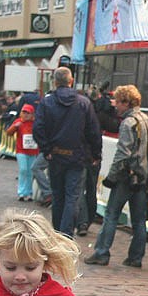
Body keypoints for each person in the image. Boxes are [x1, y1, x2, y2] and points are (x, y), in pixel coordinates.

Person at [85, 85, 148, 268]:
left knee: (111, 215)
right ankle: (136, 257)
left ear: (126, 102)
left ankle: (101, 252)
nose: (115, 105)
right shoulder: (147, 120)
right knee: (139, 220)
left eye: (118, 101)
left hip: (126, 177)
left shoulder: (129, 123)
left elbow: (122, 154)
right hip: (143, 177)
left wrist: (112, 176)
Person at [33, 67, 102, 237]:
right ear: (71, 81)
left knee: (58, 196)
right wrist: (95, 154)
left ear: (55, 82)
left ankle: (58, 232)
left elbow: (38, 128)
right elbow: (94, 131)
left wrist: (46, 149)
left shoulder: (47, 102)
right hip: (77, 156)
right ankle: (65, 233)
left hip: (56, 155)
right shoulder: (84, 102)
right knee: (72, 196)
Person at [6, 104, 39, 201]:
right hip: (21, 150)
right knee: (23, 170)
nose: (25, 115)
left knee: (30, 172)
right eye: (24, 112)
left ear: (32, 114)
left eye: (27, 113)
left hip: (33, 151)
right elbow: (9, 133)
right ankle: (21, 192)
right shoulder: (18, 122)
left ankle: (28, 192)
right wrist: (14, 127)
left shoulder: (35, 123)